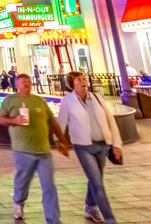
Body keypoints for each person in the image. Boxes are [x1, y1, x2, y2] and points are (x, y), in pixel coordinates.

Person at [0, 74, 69, 223]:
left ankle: (54, 220)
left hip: (44, 151)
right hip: (22, 150)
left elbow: (52, 122)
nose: (28, 84)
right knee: (22, 182)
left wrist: (62, 140)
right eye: (24, 82)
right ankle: (19, 202)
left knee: (49, 187)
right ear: (17, 85)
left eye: (29, 81)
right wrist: (14, 120)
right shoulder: (10, 100)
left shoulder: (39, 101)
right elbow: (1, 118)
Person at [57, 71, 122, 224]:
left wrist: (117, 144)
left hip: (102, 145)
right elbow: (60, 122)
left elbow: (110, 120)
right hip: (83, 146)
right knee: (97, 183)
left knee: (95, 179)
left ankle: (90, 207)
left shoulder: (97, 98)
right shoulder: (68, 101)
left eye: (84, 78)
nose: (83, 81)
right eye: (79, 80)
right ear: (72, 84)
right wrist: (59, 141)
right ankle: (110, 219)